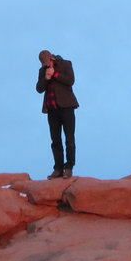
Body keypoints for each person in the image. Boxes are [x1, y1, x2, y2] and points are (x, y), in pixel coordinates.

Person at [36, 50, 78, 179]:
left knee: (69, 139)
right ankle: (58, 169)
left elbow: (70, 80)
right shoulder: (43, 70)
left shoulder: (65, 64)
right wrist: (46, 78)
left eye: (48, 62)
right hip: (51, 109)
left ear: (52, 58)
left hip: (66, 107)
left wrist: (55, 74)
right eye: (45, 64)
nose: (47, 65)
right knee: (55, 141)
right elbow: (39, 89)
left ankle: (69, 168)